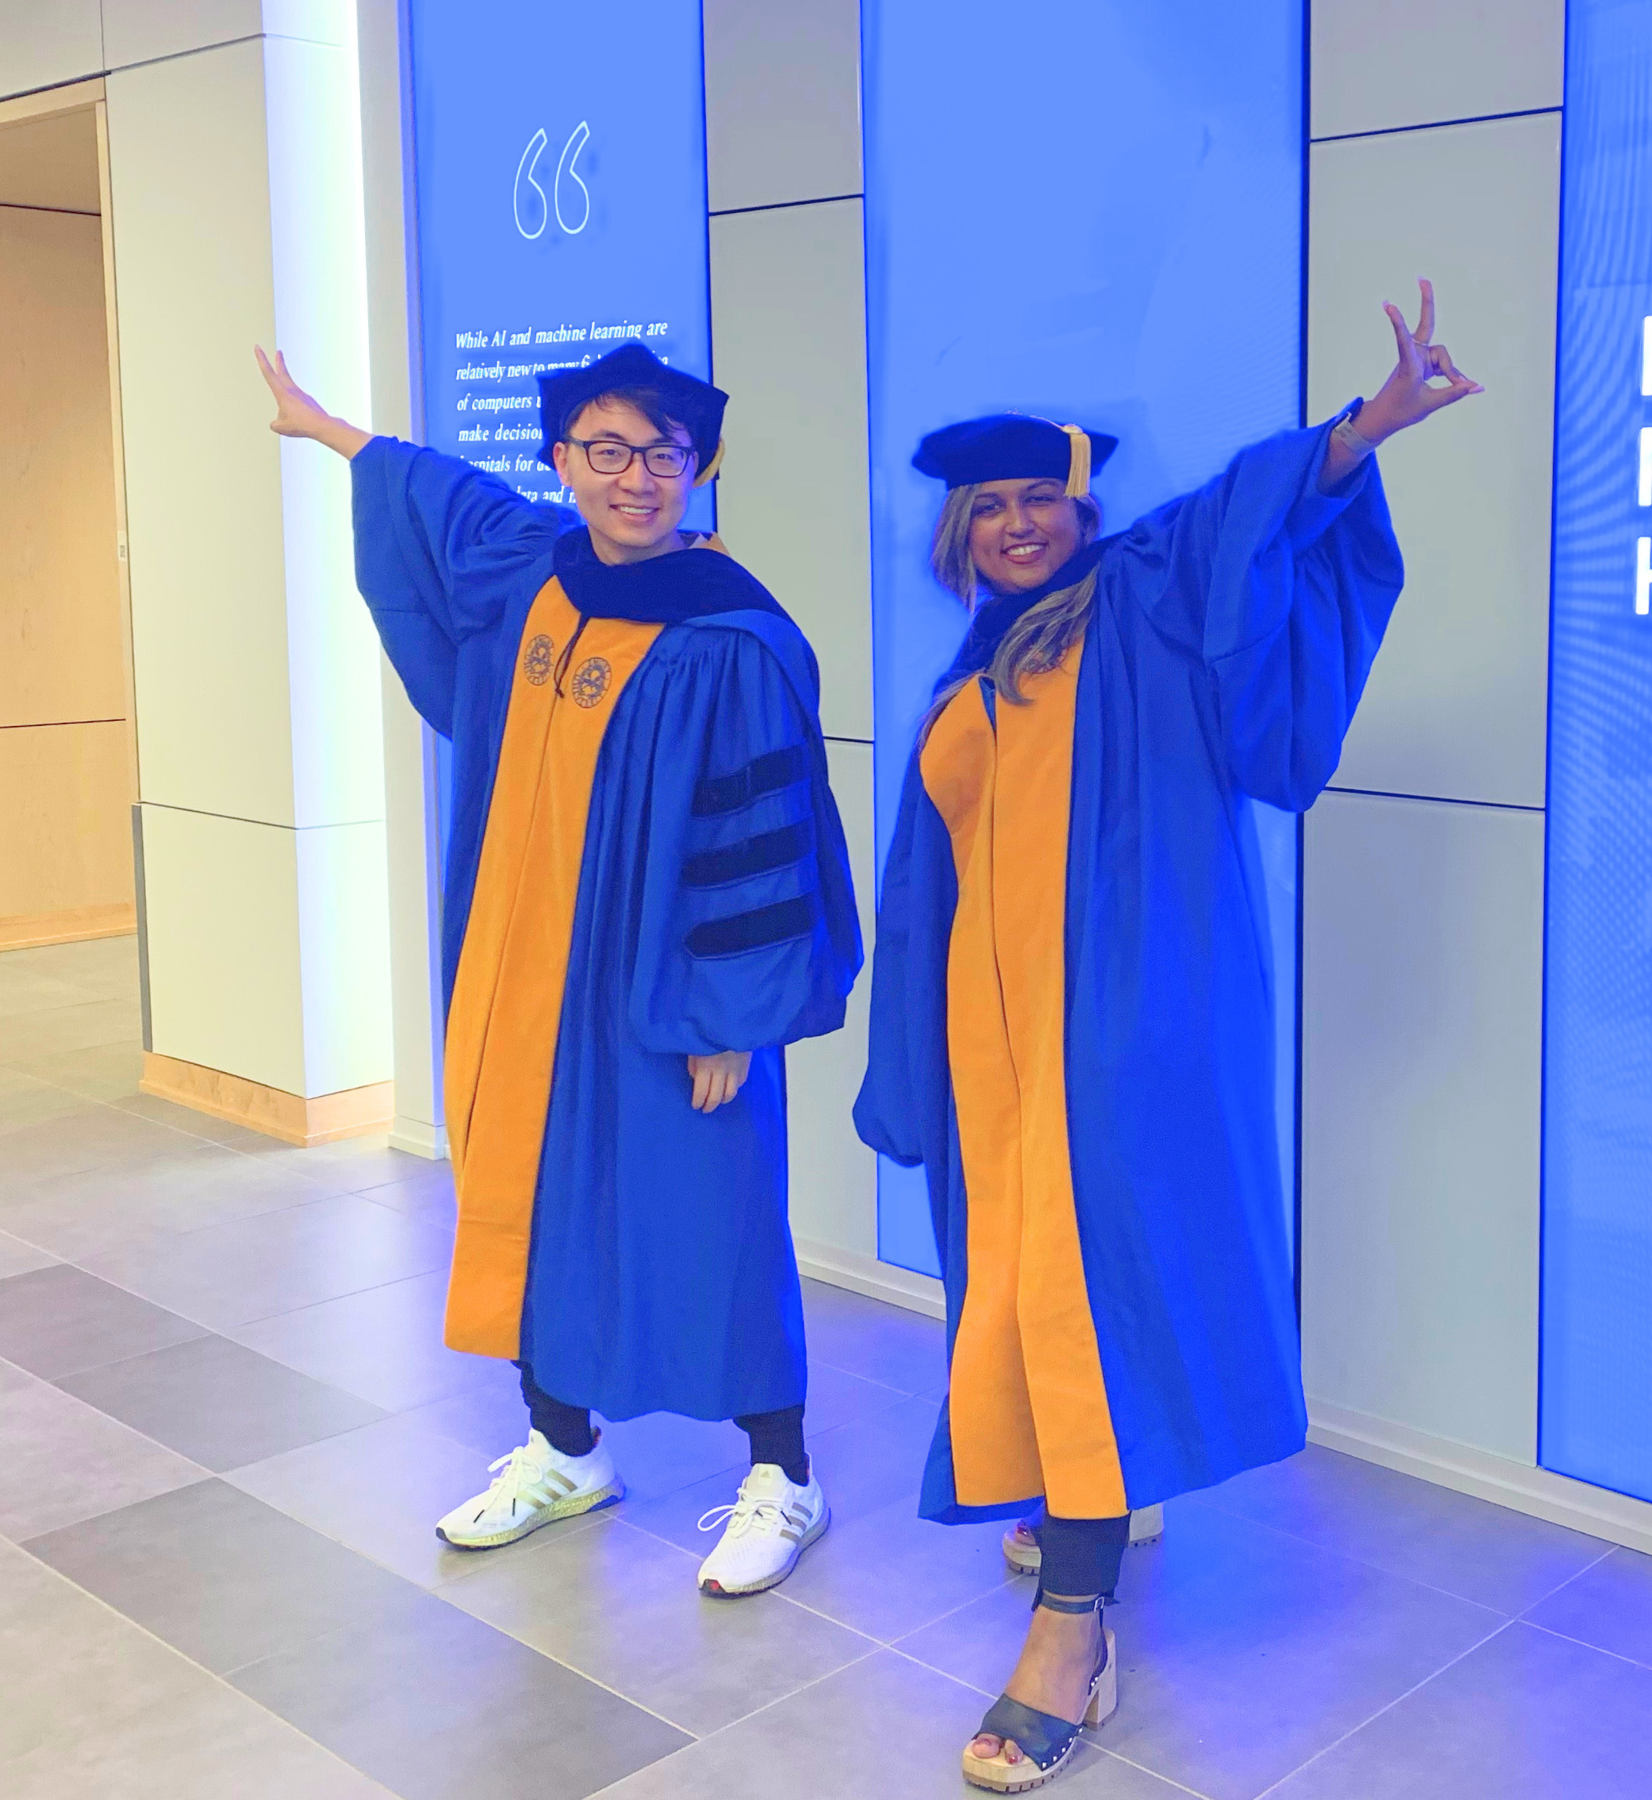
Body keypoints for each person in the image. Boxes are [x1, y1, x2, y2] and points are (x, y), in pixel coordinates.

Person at [854, 282, 1479, 1789]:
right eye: (990, 505)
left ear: (1083, 515)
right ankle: (1087, 1480)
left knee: (1085, 1288)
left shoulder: (1134, 605)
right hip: (1006, 1059)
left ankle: (1074, 1631)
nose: (1018, 523)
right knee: (1033, 1291)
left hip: (1125, 1038)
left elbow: (1229, 523)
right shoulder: (982, 656)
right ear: (960, 533)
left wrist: (1359, 431)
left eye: (1043, 500)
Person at [257, 340, 862, 1599]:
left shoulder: (733, 635)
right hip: (517, 967)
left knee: (713, 1211)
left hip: (666, 995)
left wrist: (731, 1022)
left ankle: (784, 1472)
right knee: (531, 1201)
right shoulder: (536, 565)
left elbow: (767, 838)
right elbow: (433, 494)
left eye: (662, 452)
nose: (635, 477)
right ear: (562, 461)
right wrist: (332, 433)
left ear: (699, 466)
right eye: (606, 451)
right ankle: (564, 1446)